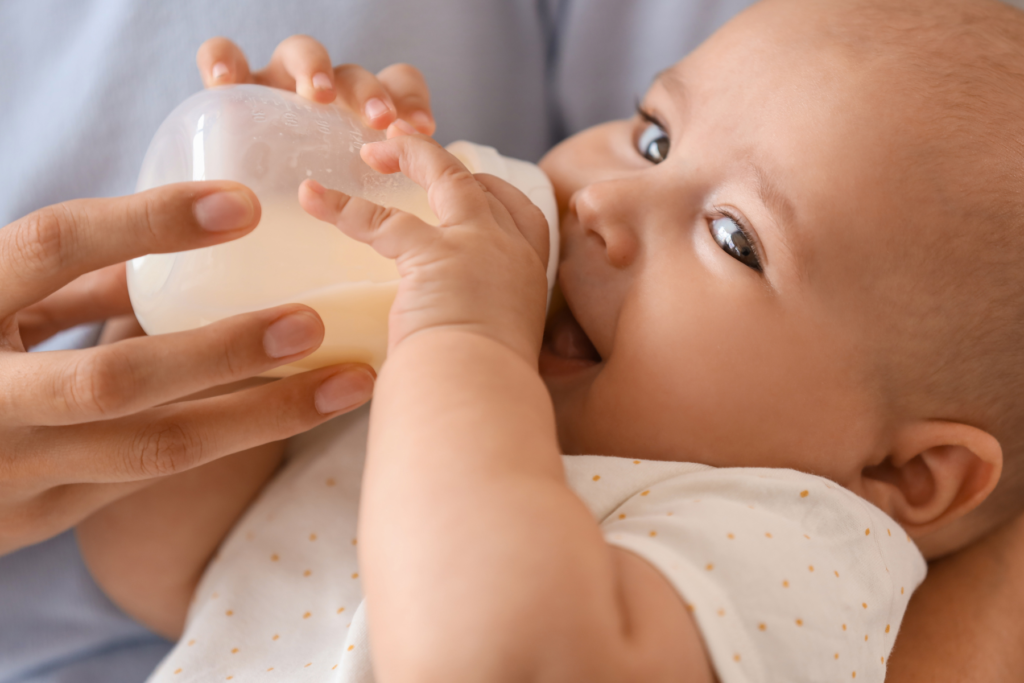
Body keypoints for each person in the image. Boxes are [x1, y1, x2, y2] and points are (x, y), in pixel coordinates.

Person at [3, 1, 1024, 682]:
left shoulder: (797, 539)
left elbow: (498, 656)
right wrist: (202, 306)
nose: (607, 203)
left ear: (906, 471)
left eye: (733, 236)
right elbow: (168, 572)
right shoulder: (458, 414)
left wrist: (460, 336)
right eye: (655, 133)